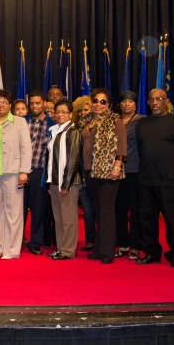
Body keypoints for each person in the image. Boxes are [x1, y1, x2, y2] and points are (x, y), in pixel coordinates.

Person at [136, 88, 174, 269]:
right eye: (151, 99)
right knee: (147, 220)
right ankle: (152, 253)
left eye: (158, 99)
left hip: (170, 182)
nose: (154, 103)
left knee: (172, 221)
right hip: (146, 181)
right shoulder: (142, 124)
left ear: (166, 101)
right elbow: (139, 150)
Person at [78, 89, 127, 264]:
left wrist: (117, 166)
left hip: (108, 171)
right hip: (90, 172)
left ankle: (107, 252)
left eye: (102, 101)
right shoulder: (86, 120)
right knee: (99, 212)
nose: (98, 104)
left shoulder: (115, 120)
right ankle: (99, 249)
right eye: (95, 101)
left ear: (108, 104)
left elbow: (122, 145)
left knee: (106, 212)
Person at [0, 90, 32, 259]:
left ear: (10, 105)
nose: (1, 105)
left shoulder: (19, 122)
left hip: (12, 171)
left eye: (4, 102)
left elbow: (26, 147)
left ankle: (12, 249)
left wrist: (24, 171)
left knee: (13, 211)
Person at [46, 100, 82, 260]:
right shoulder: (54, 131)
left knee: (68, 217)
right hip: (54, 181)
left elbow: (73, 159)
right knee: (58, 216)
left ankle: (68, 250)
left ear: (70, 114)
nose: (60, 115)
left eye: (64, 112)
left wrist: (66, 184)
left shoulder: (73, 132)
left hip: (68, 182)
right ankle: (61, 248)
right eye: (57, 111)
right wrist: (50, 182)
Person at [25, 90, 57, 255]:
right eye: (32, 103)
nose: (35, 106)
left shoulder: (52, 124)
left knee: (38, 209)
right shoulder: (22, 121)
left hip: (40, 171)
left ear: (44, 103)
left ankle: (36, 241)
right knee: (19, 208)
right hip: (21, 170)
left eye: (38, 103)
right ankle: (17, 239)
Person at [114, 91, 144, 260]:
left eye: (130, 101)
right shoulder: (114, 120)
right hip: (116, 172)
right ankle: (123, 244)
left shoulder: (142, 121)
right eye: (124, 101)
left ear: (135, 103)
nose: (127, 104)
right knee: (119, 210)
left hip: (135, 170)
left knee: (135, 210)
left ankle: (135, 246)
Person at [73, 96, 96, 251]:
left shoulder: (99, 124)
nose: (83, 113)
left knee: (100, 210)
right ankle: (90, 240)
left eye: (86, 109)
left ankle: (104, 239)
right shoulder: (75, 128)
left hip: (97, 173)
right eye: (80, 110)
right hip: (81, 174)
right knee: (88, 210)